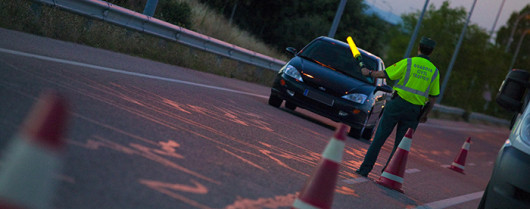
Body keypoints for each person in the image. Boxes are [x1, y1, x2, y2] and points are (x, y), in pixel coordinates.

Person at [355, 36, 440, 177]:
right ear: (431, 52)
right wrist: (424, 115)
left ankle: (365, 170)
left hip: (397, 105)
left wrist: (368, 72)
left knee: (379, 139)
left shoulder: (409, 63)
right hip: (414, 111)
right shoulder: (434, 72)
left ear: (419, 47)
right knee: (401, 146)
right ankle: (387, 175)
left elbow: (385, 73)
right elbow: (433, 98)